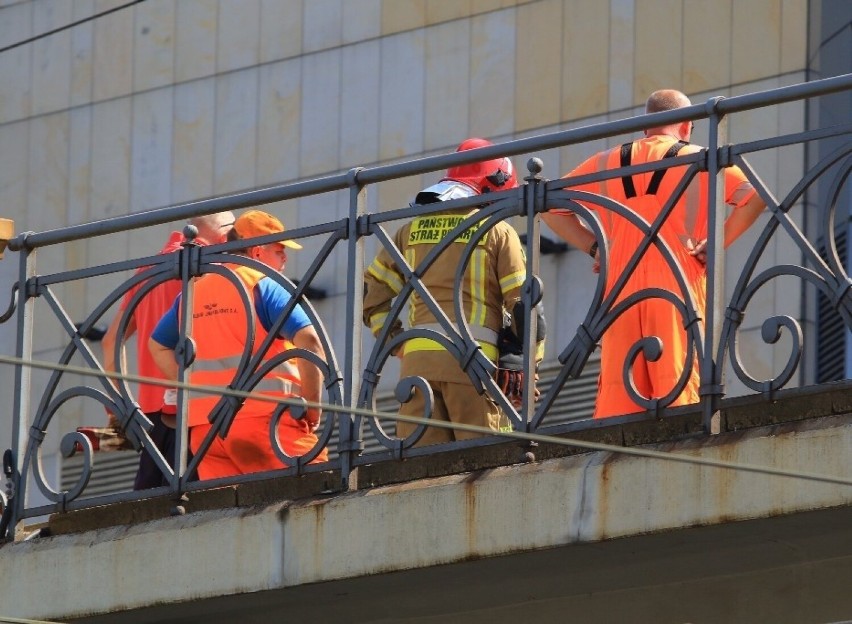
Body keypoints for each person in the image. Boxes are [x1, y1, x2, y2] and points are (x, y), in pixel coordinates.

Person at [542, 89, 765, 418]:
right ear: (687, 126)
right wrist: (717, 242)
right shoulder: (700, 158)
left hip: (620, 291)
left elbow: (549, 205)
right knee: (678, 390)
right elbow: (755, 196)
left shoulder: (607, 161)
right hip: (677, 288)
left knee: (619, 398)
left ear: (646, 126)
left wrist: (596, 247)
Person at [363, 138, 544, 446]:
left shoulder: (409, 231)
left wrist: (397, 343)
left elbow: (372, 294)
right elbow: (523, 306)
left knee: (421, 474)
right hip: (475, 367)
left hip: (417, 369)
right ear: (494, 187)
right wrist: (530, 367)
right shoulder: (498, 231)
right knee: (484, 468)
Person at [148, 209, 328, 479]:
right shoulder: (263, 285)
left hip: (208, 435)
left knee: (231, 514)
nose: (285, 258)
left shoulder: (194, 292)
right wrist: (313, 407)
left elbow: (157, 346)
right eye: (279, 250)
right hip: (268, 425)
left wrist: (195, 384)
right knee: (318, 490)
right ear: (257, 252)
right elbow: (310, 341)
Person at [99, 212, 235, 489]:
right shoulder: (214, 267)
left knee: (149, 507)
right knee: (202, 502)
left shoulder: (146, 271)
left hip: (150, 411)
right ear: (224, 236)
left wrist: (118, 409)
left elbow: (110, 341)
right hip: (200, 410)